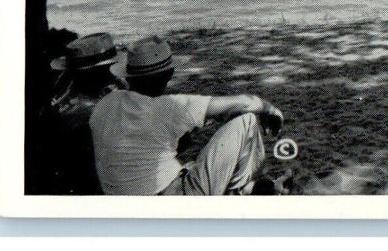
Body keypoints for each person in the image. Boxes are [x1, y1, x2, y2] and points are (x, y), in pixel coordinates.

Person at [89, 36, 284, 195]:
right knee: (247, 120)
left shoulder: (105, 104)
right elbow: (245, 101)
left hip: (123, 201)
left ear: (128, 75)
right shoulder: (168, 107)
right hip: (173, 199)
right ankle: (238, 191)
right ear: (169, 74)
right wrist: (269, 109)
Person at [46, 33, 127, 194]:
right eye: (106, 70)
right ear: (92, 74)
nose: (111, 75)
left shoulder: (66, 88)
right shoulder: (86, 112)